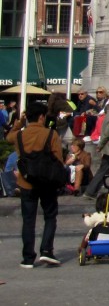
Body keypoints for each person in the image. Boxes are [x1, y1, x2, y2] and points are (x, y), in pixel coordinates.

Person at [7, 102, 66, 267]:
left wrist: (19, 122)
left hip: (26, 182)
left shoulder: (19, 135)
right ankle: (46, 250)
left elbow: (8, 136)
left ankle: (27, 258)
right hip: (47, 181)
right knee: (50, 216)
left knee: (28, 220)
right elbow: (58, 159)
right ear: (42, 117)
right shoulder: (50, 134)